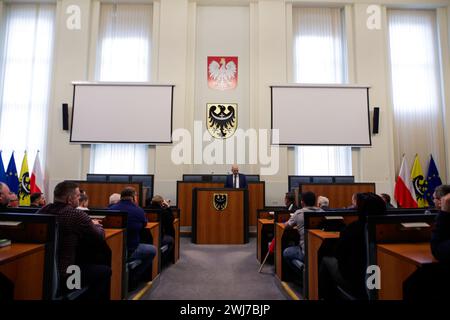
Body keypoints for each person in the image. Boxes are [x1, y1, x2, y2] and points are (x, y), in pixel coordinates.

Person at [37, 181, 111, 300]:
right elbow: (99, 237)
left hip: (41, 272)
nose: (79, 198)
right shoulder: (76, 214)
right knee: (104, 271)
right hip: (67, 273)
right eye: (78, 196)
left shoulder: (43, 211)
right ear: (69, 199)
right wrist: (96, 225)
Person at [319, 192, 386, 300]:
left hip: (356, 280)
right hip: (383, 279)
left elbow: (339, 254)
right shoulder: (387, 229)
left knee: (326, 261)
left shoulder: (353, 228)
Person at [403, 187, 450, 300]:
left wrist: (444, 213)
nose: (432, 201)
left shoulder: (443, 217)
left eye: (434, 198)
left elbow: (437, 249)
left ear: (441, 201)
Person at [109, 187, 156, 285]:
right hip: (131, 248)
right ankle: (133, 277)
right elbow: (144, 224)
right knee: (152, 250)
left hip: (114, 249)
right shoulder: (138, 211)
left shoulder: (111, 208)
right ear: (134, 197)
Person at [283, 191, 324, 279]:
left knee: (286, 252)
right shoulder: (322, 211)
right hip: (320, 250)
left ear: (302, 202)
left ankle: (303, 275)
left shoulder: (299, 213)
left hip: (305, 251)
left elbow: (286, 226)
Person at [146, 195, 175, 262]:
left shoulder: (146, 210)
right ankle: (162, 259)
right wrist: (168, 207)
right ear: (161, 203)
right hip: (160, 236)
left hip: (147, 237)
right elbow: (171, 219)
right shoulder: (163, 211)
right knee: (171, 240)